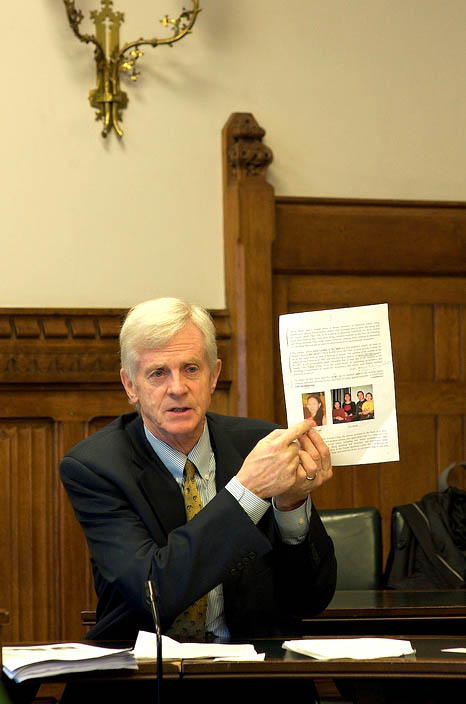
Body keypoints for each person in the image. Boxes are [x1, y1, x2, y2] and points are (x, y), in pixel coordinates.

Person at [60, 298, 336, 644]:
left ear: (213, 376)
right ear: (131, 386)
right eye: (158, 373)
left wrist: (291, 507)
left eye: (191, 369)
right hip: (146, 668)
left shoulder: (260, 445)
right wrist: (247, 492)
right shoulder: (96, 467)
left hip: (253, 665)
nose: (177, 388)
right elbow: (153, 594)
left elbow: (310, 600)